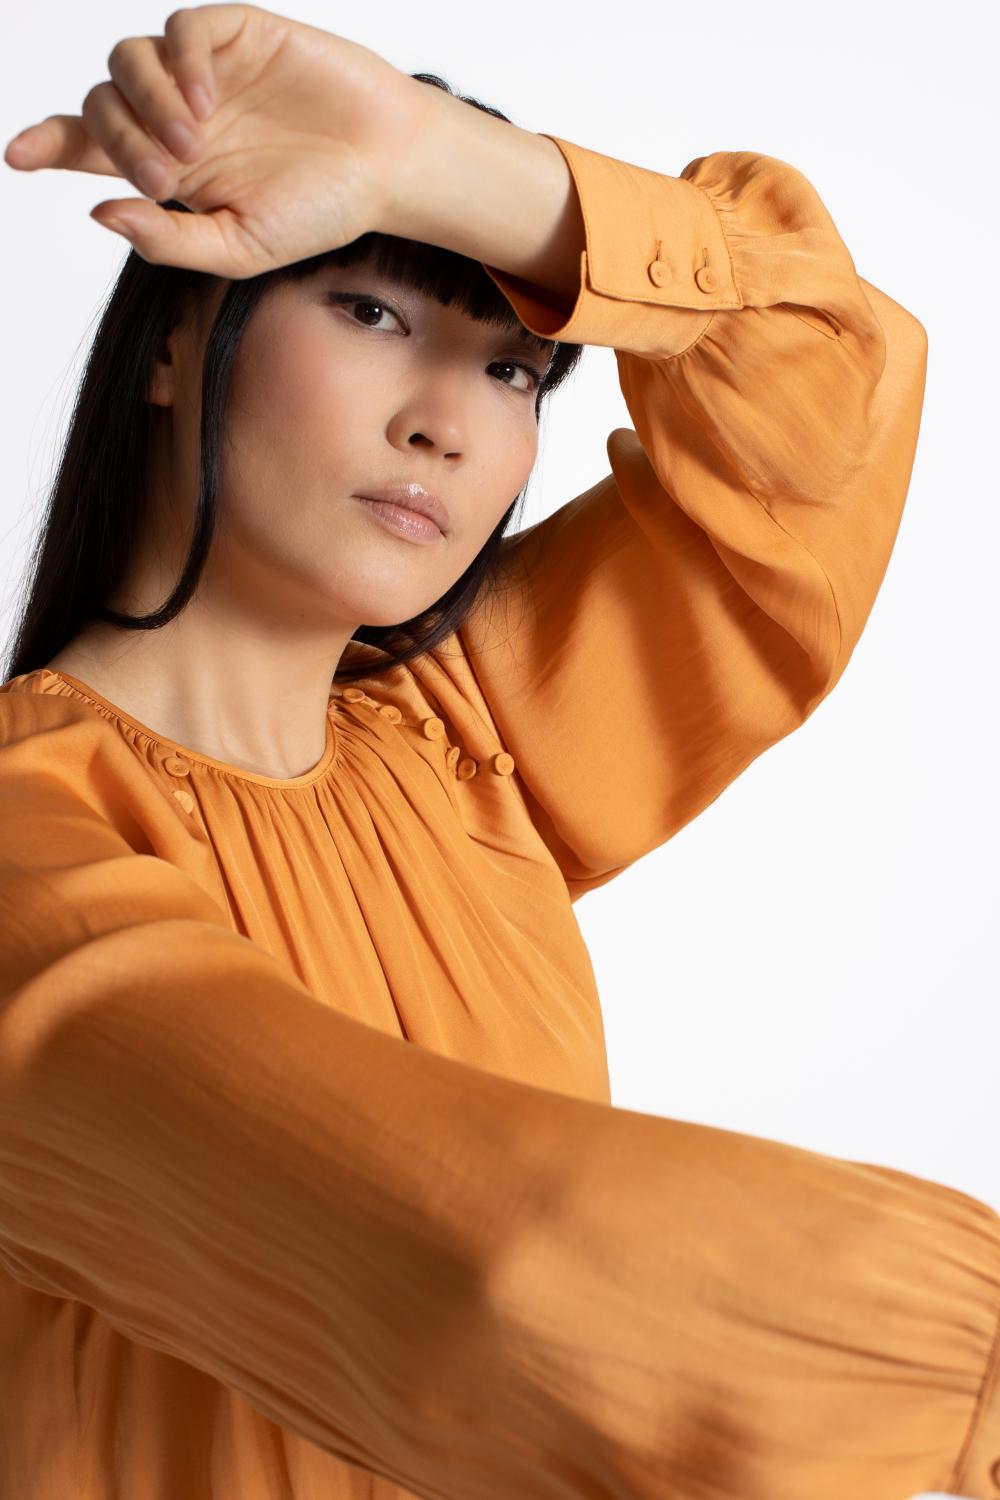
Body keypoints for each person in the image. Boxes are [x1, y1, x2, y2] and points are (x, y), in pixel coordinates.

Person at [0, 7, 996, 1498]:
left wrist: (435, 159)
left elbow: (825, 405)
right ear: (175, 343)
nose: (449, 427)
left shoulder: (470, 751)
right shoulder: (28, 850)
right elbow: (486, 1271)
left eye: (515, 372)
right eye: (371, 313)